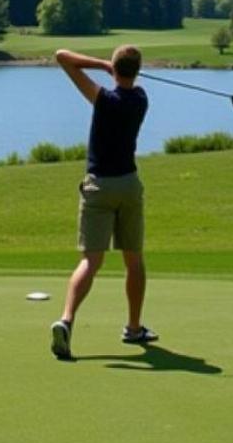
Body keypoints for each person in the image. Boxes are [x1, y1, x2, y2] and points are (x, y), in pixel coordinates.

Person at [50, 44, 158, 361]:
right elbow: (127, 81)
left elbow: (62, 57)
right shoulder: (140, 99)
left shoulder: (103, 100)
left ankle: (67, 320)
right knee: (133, 260)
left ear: (115, 66)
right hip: (128, 185)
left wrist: (99, 64)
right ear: (137, 70)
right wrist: (115, 67)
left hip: (98, 187)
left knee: (91, 262)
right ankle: (134, 327)